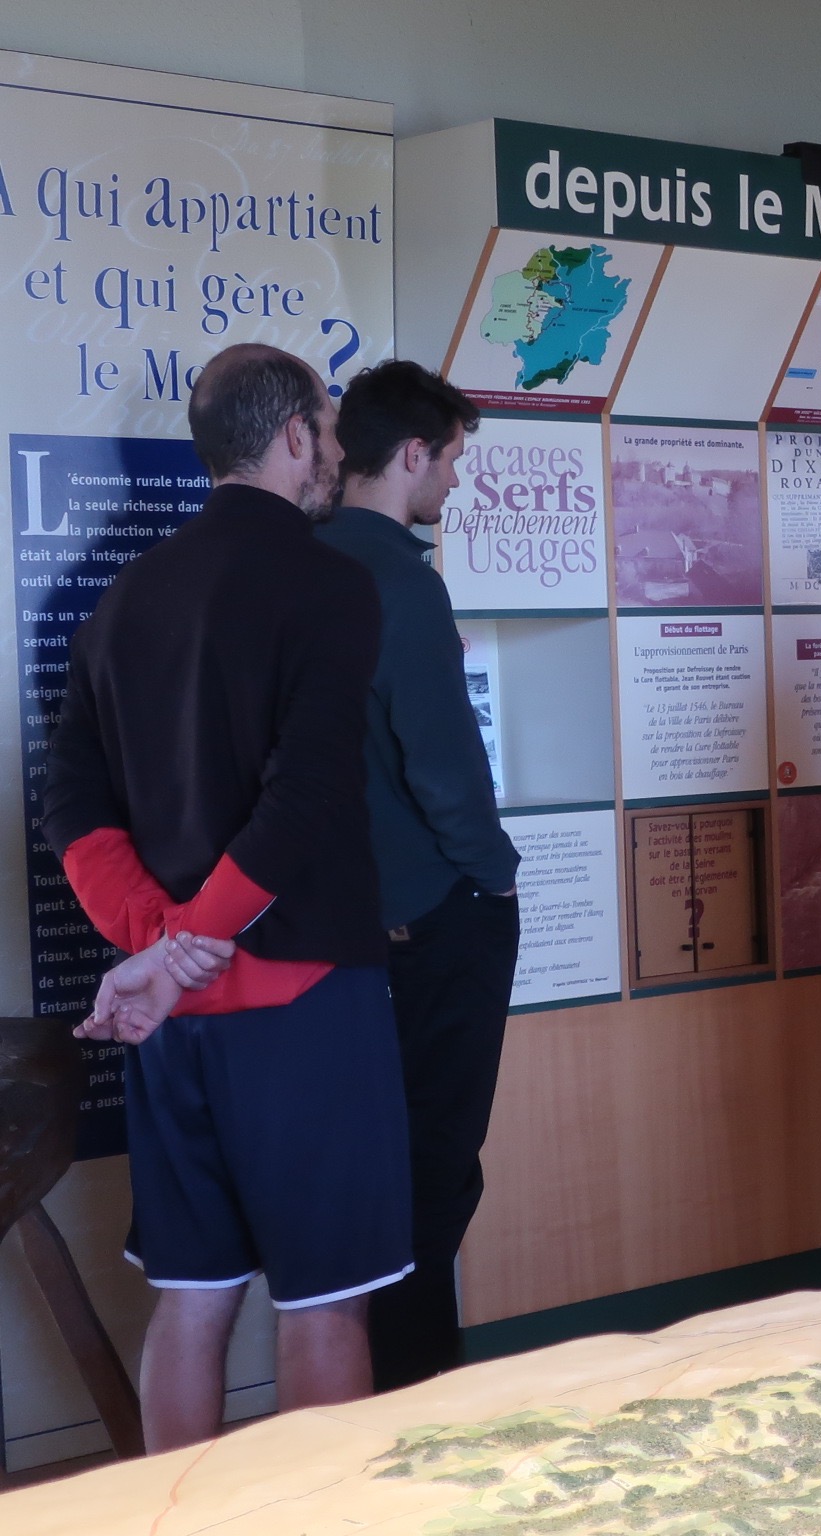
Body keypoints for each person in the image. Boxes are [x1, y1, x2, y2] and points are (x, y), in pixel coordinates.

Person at [43, 344, 407, 1449]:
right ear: (295, 436)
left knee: (192, 1297)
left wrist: (157, 948)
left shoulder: (122, 598)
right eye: (329, 429)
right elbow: (305, 800)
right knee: (323, 1301)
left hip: (173, 1018)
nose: (337, 450)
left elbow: (73, 808)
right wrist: (190, 942)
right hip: (306, 999)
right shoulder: (332, 583)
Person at [314, 361, 518, 1391]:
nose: (455, 480)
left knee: (360, 1181)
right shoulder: (402, 581)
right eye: (452, 458)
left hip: (334, 931)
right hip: (434, 922)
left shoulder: (301, 564)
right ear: (411, 454)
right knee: (434, 1179)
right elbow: (444, 767)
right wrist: (496, 880)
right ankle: (423, 1402)